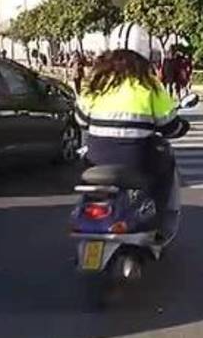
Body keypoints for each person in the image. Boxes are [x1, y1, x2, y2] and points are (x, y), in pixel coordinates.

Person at [75, 49, 189, 226]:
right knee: (165, 165)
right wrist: (183, 126)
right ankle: (158, 218)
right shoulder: (149, 85)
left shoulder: (96, 83)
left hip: (96, 160)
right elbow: (170, 126)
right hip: (136, 161)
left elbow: (80, 120)